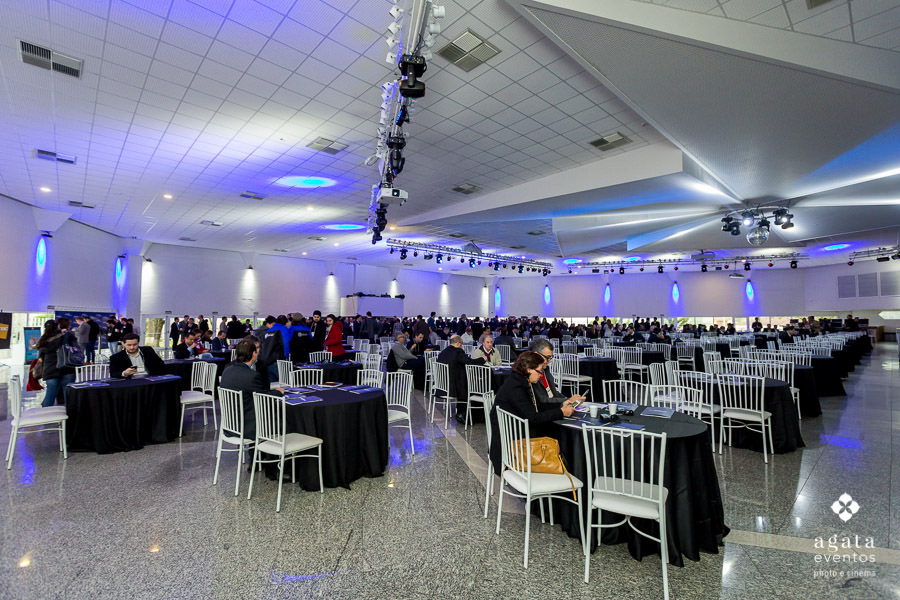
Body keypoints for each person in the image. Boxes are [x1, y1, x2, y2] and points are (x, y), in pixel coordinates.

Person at [487, 351, 578, 475]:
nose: (541, 375)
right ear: (529, 369)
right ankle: (565, 470)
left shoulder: (518, 380)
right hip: (514, 448)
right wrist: (561, 412)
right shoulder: (517, 388)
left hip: (514, 435)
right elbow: (534, 418)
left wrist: (561, 405)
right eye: (539, 371)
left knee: (552, 429)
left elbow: (537, 406)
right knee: (558, 435)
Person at [219, 337, 285, 480]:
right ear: (253, 354)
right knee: (281, 422)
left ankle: (261, 461)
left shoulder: (227, 371)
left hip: (230, 424)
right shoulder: (251, 376)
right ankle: (273, 468)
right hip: (247, 426)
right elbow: (263, 397)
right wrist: (278, 392)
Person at [437, 335, 486, 422]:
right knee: (470, 386)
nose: (461, 346)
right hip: (452, 387)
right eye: (461, 344)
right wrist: (482, 359)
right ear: (458, 343)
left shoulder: (443, 352)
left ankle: (462, 412)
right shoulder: (457, 352)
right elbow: (469, 362)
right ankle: (464, 414)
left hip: (442, 386)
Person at [35, 318, 78, 407]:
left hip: (50, 370)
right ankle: (69, 414)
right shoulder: (66, 336)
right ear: (57, 326)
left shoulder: (43, 340)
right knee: (68, 395)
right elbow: (76, 348)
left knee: (50, 395)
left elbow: (41, 357)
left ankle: (46, 414)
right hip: (67, 367)